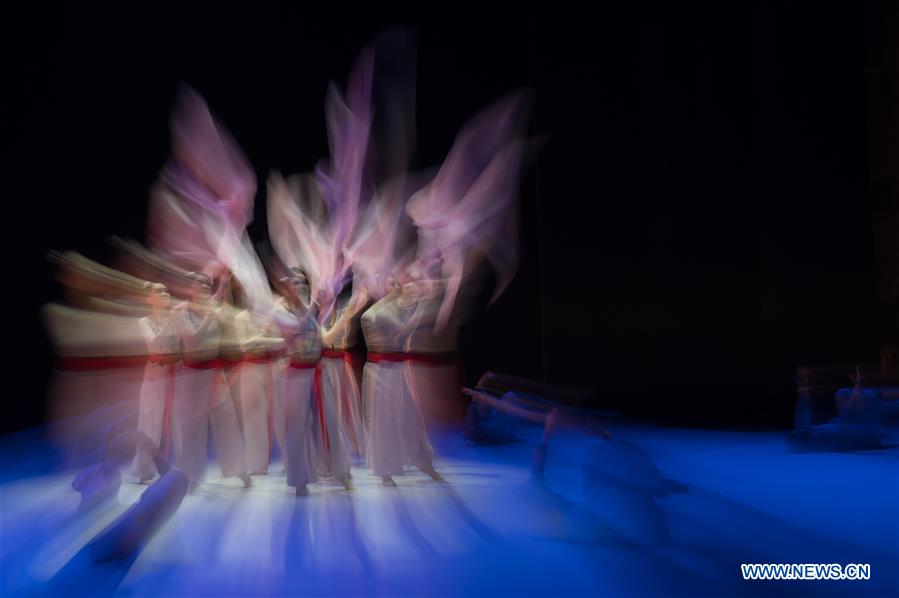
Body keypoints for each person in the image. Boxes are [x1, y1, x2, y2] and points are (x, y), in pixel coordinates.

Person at [171, 272, 251, 489]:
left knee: (227, 421)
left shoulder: (215, 308)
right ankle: (191, 476)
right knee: (193, 426)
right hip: (193, 374)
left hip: (214, 373)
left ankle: (239, 469)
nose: (206, 285)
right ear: (189, 287)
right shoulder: (179, 311)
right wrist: (209, 316)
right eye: (200, 282)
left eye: (208, 283)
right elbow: (193, 340)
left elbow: (229, 331)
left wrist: (224, 284)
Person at [362, 274, 443, 486]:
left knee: (411, 419)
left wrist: (424, 297)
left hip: (398, 369)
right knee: (385, 422)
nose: (398, 285)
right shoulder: (375, 314)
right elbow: (402, 334)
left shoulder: (397, 307)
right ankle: (385, 471)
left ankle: (423, 461)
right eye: (392, 283)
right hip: (383, 371)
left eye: (398, 282)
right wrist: (424, 305)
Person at [131, 283, 180, 482]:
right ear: (149, 298)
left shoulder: (177, 321)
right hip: (155, 375)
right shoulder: (144, 321)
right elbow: (154, 343)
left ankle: (182, 468)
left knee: (179, 422)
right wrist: (171, 321)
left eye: (167, 290)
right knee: (151, 421)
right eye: (159, 291)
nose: (165, 293)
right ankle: (144, 469)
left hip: (176, 373)